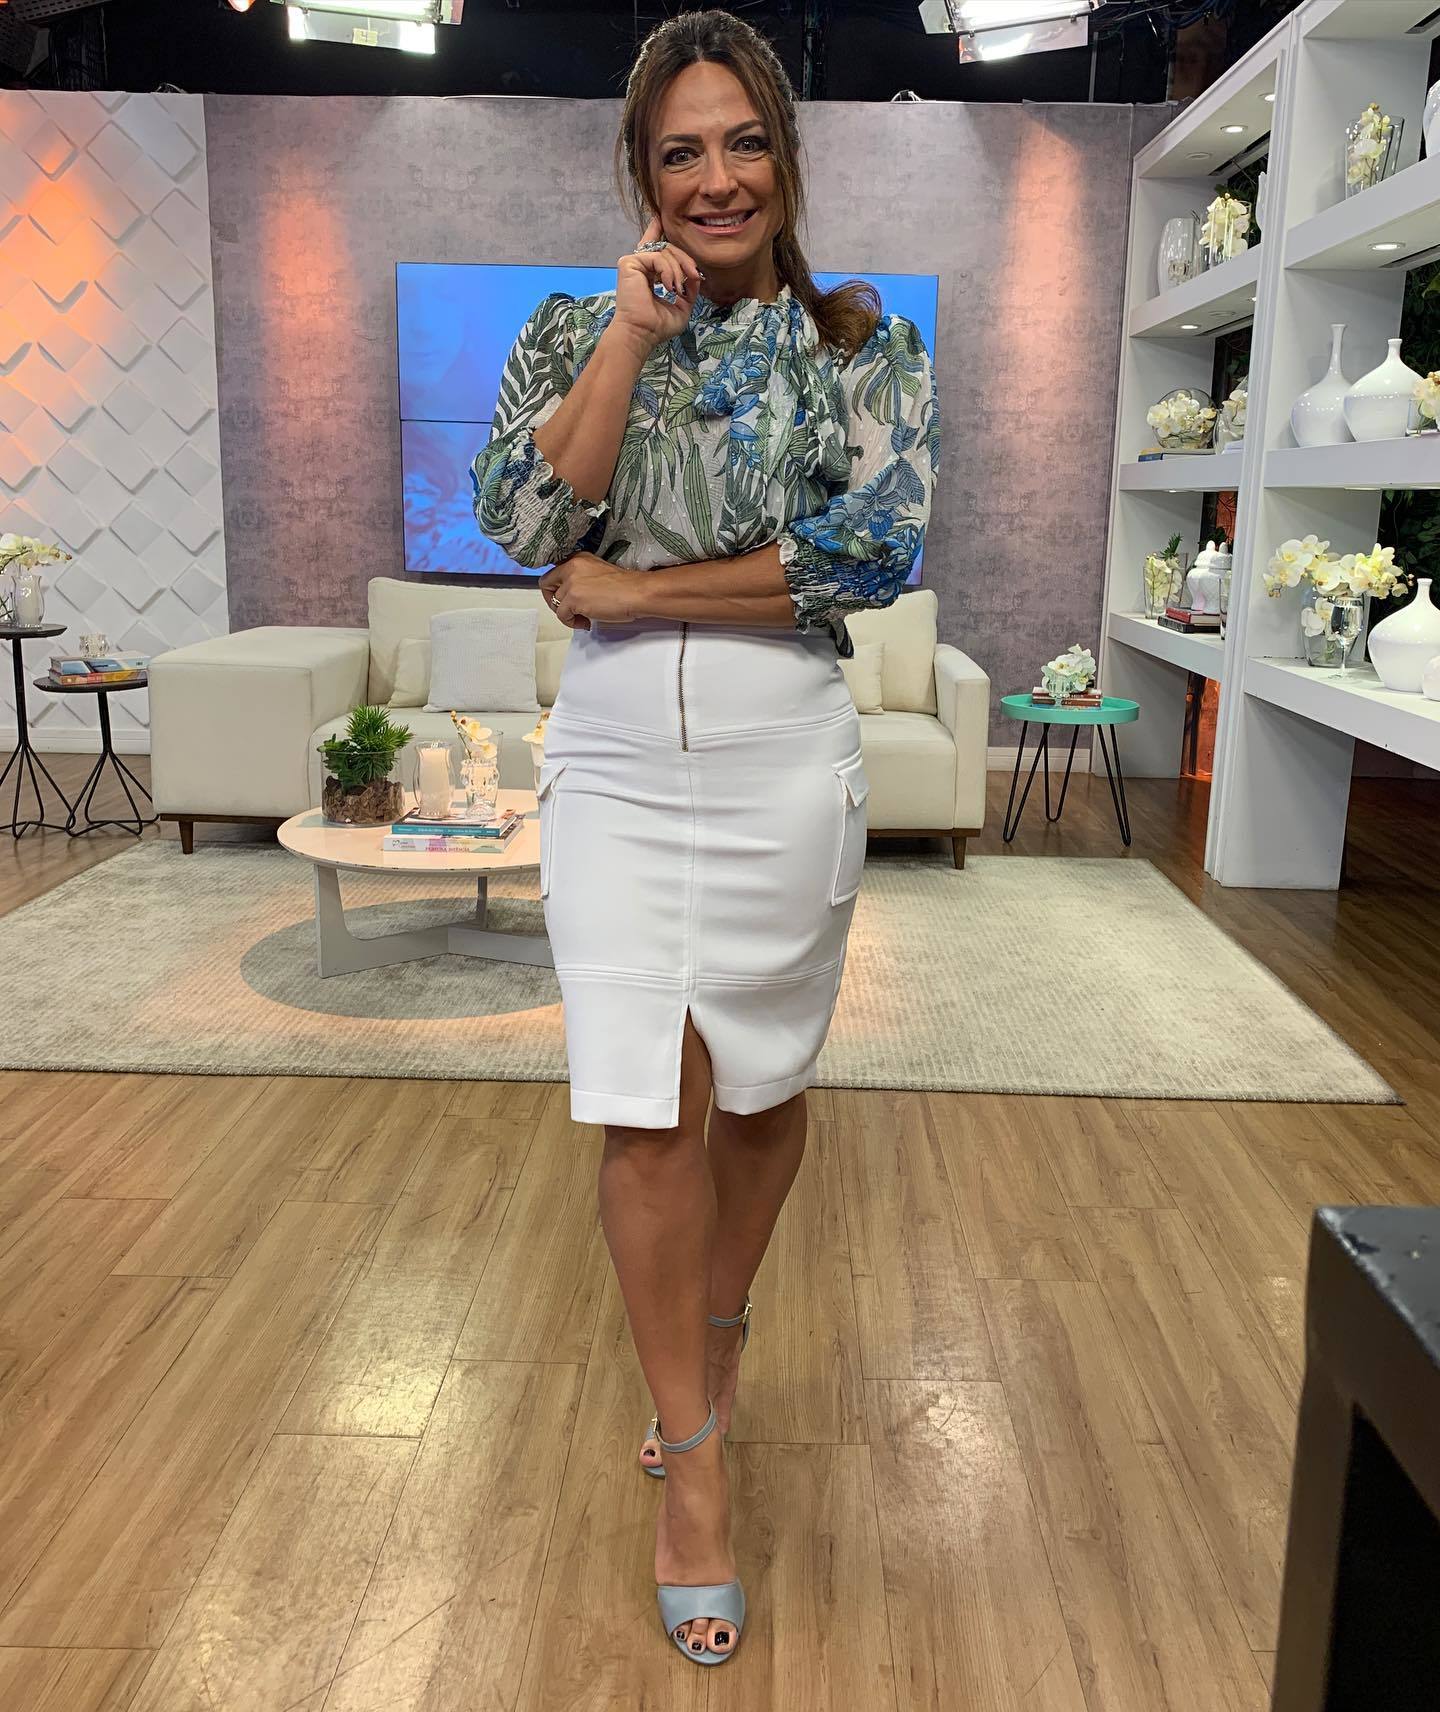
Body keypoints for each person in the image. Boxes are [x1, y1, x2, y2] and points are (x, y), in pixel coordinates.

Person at [470, 7, 938, 1669]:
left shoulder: (862, 343)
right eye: (682, 151)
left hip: (780, 760)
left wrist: (638, 589)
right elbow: (525, 520)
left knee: (761, 1091)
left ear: (786, 155)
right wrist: (625, 342)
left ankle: (719, 1326)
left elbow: (868, 553)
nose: (718, 177)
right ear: (642, 172)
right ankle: (695, 1454)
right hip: (612, 763)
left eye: (744, 142)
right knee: (645, 1103)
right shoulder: (569, 330)